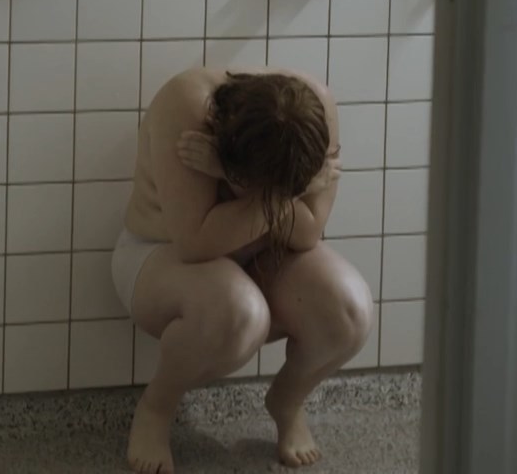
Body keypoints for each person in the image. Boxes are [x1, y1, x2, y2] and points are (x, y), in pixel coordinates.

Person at [112, 67, 374, 473]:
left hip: (263, 257)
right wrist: (290, 195)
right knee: (237, 311)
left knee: (350, 311)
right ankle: (156, 408)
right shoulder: (187, 108)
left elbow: (307, 234)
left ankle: (287, 401)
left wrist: (241, 182)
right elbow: (196, 243)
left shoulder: (316, 110)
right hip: (163, 256)